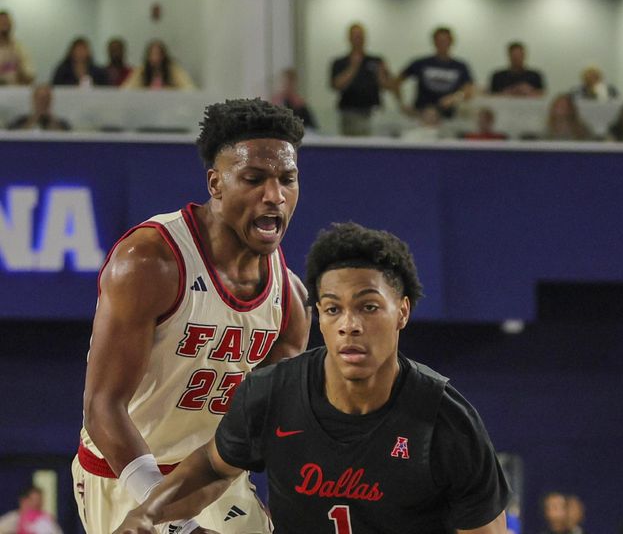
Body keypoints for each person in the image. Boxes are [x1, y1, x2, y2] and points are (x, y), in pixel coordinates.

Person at [112, 222, 511, 534]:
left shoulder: (445, 421)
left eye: (369, 307)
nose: (349, 325)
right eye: (333, 309)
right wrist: (148, 513)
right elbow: (213, 468)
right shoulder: (272, 393)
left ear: (402, 312)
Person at [72, 98, 311, 534]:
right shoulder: (149, 262)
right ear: (216, 184)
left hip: (216, 477)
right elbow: (101, 407)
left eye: (287, 180)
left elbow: (271, 428)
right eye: (254, 179)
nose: (274, 195)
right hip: (126, 472)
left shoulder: (291, 299)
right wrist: (174, 519)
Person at [396, 26, 475, 118]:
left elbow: (469, 90)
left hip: (447, 116)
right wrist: (401, 103)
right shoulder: (421, 63)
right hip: (421, 115)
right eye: (439, 41)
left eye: (445, 41)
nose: (442, 44)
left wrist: (455, 97)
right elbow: (396, 82)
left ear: (451, 42)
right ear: (434, 42)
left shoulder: (460, 66)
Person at [330, 23, 393, 136]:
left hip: (373, 112)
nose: (358, 39)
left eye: (360, 36)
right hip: (349, 112)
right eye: (355, 36)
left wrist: (381, 75)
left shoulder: (376, 60)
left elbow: (388, 86)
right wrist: (353, 67)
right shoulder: (339, 62)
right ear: (349, 38)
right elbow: (336, 85)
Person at [122, 39, 196, 90]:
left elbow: (189, 88)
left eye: (157, 54)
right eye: (151, 55)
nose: (155, 58)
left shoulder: (173, 70)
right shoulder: (141, 71)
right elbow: (127, 89)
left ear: (163, 55)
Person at [0, 10, 34, 86]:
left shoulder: (19, 48)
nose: (4, 25)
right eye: (1, 22)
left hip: (15, 92)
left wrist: (19, 70)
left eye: (7, 22)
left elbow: (30, 76)